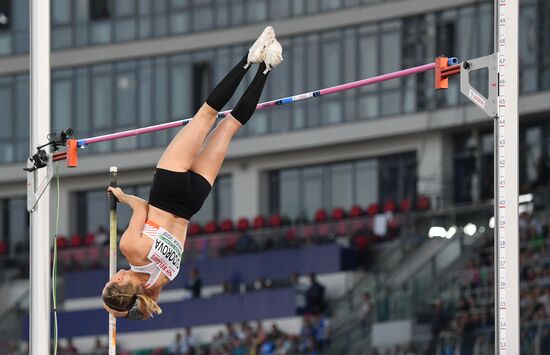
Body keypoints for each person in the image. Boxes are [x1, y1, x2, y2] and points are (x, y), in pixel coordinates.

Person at [102, 26, 283, 321]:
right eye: (110, 283)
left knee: (231, 126)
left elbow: (136, 307)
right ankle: (249, 59)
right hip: (166, 191)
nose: (112, 276)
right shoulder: (129, 248)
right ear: (119, 283)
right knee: (207, 115)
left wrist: (121, 308)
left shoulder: (158, 283)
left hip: (191, 203)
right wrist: (122, 197)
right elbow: (142, 207)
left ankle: (266, 67)